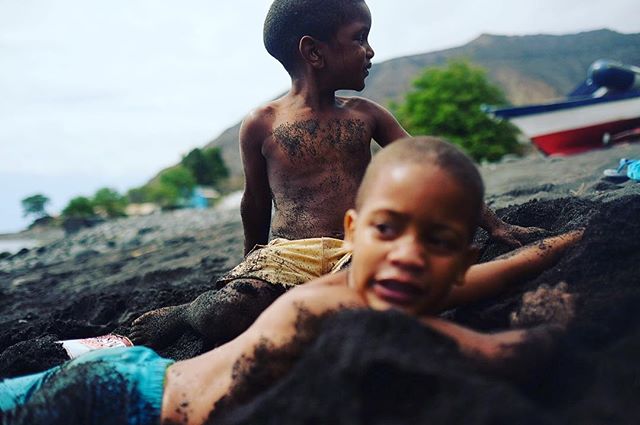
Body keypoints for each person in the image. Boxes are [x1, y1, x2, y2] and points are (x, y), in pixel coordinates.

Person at [1, 137, 581, 425]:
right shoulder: (353, 312)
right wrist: (553, 320)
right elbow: (503, 354)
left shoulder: (384, 287)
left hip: (145, 376)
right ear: (354, 234)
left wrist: (566, 243)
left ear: (460, 260)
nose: (408, 256)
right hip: (126, 397)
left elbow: (495, 271)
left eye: (438, 242)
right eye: (389, 229)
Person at [129, 0, 542, 349]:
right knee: (227, 312)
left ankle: (309, 305)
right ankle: (186, 313)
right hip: (287, 256)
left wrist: (494, 224)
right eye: (359, 37)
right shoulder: (262, 123)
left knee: (379, 291)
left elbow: (431, 167)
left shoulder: (366, 115)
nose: (370, 51)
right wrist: (251, 265)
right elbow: (254, 201)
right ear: (314, 52)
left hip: (355, 247)